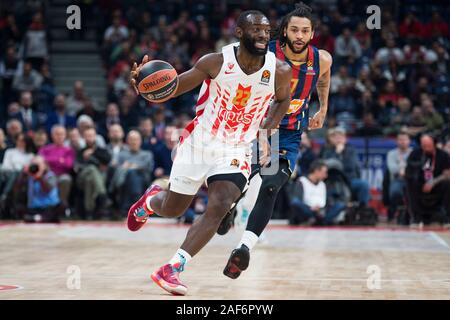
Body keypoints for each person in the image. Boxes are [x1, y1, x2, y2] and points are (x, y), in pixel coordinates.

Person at [128, 10, 292, 295]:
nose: (264, 35)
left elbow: (283, 99)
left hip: (237, 147)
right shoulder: (215, 62)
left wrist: (267, 130)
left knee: (221, 203)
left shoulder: (279, 70)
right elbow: (174, 86)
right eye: (256, 30)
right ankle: (151, 201)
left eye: (267, 31)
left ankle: (173, 268)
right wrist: (145, 86)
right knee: (173, 208)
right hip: (199, 142)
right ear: (240, 33)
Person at [218, 2, 332, 280]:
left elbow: (323, 80)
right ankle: (229, 208)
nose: (299, 35)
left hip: (289, 132)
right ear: (284, 30)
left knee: (271, 186)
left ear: (312, 33)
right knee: (240, 181)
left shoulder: (322, 59)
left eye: (305, 31)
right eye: (294, 29)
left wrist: (323, 107)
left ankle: (243, 248)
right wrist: (262, 133)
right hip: (253, 125)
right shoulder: (266, 53)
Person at [405, 133, 450, 227]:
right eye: (424, 145)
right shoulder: (415, 153)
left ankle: (447, 217)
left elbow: (447, 174)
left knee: (448, 184)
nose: (426, 148)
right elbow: (408, 171)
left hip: (437, 183)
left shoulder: (443, 155)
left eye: (428, 145)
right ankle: (416, 218)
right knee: (410, 184)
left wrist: (433, 182)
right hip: (420, 183)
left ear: (434, 144)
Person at [289, 160, 346, 225]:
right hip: (308, 210)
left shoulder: (323, 184)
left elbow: (327, 201)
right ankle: (315, 220)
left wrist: (321, 209)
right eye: (324, 173)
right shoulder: (302, 181)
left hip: (321, 212)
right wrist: (310, 208)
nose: (326, 176)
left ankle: (319, 221)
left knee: (340, 205)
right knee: (295, 202)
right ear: (316, 171)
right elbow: (298, 200)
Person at [39, 125, 75, 208]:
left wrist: (49, 161)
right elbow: (41, 162)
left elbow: (69, 165)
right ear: (52, 135)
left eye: (62, 134)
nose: (59, 136)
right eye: (57, 134)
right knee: (49, 179)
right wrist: (60, 160)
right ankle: (49, 205)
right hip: (48, 174)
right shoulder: (45, 149)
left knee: (66, 179)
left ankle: (61, 205)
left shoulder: (69, 150)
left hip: (63, 174)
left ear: (65, 136)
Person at [385, 132, 412, 222]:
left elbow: (416, 168)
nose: (402, 142)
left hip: (412, 180)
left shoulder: (414, 153)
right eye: (400, 140)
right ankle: (392, 215)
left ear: (409, 141)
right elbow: (392, 169)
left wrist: (404, 170)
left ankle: (414, 216)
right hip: (397, 180)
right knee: (395, 192)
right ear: (397, 141)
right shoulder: (391, 154)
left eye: (405, 140)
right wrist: (404, 169)